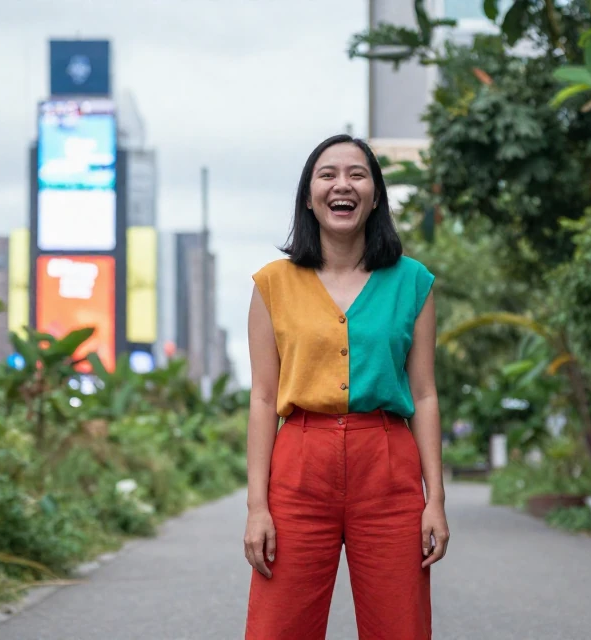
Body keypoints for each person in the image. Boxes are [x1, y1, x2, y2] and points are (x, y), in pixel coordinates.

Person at [242, 134, 449, 640]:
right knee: (278, 627)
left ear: (375, 195)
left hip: (388, 468)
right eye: (327, 174)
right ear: (309, 195)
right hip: (298, 468)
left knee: (399, 627)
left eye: (358, 175)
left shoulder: (412, 282)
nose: (343, 184)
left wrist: (435, 500)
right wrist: (256, 507)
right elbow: (264, 399)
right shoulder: (273, 283)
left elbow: (424, 395)